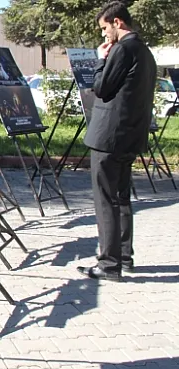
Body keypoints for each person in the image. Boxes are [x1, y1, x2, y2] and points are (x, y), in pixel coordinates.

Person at [77, 2, 157, 281]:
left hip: (109, 138)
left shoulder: (122, 49)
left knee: (106, 200)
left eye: (104, 28)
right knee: (121, 198)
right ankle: (124, 257)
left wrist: (100, 60)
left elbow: (102, 87)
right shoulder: (145, 51)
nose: (103, 36)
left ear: (118, 23)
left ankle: (109, 265)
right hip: (130, 136)